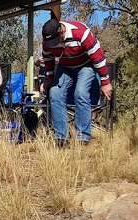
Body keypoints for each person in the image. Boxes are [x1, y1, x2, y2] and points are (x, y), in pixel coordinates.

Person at [41, 17, 113, 146]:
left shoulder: (81, 33)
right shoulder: (47, 40)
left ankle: (83, 138)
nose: (55, 44)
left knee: (81, 93)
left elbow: (98, 58)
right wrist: (49, 79)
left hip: (86, 65)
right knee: (55, 93)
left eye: (56, 40)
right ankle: (62, 137)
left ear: (62, 32)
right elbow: (48, 59)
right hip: (65, 66)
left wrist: (105, 82)